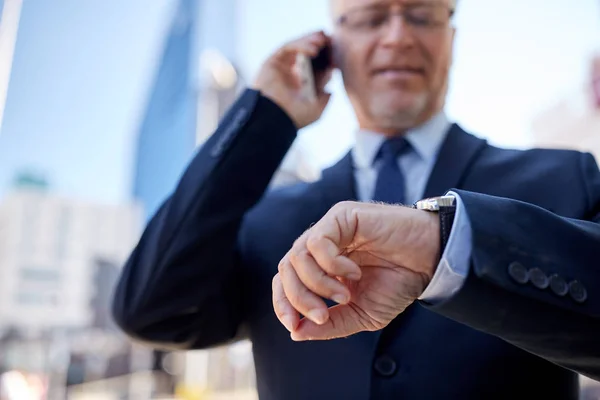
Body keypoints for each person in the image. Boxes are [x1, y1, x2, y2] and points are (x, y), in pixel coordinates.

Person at [112, 0, 600, 398]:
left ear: (451, 37)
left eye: (421, 15)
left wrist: (445, 246)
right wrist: (262, 117)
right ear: (332, 46)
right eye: (370, 18)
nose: (396, 37)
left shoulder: (563, 178)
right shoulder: (268, 218)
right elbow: (151, 309)